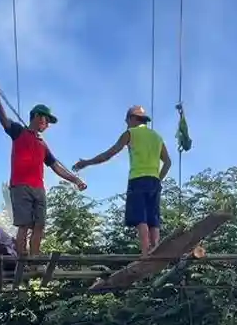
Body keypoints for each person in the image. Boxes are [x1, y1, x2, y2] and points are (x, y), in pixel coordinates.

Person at [0, 80, 86, 257]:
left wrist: (75, 180)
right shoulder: (19, 131)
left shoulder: (42, 144)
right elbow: (4, 120)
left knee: (39, 225)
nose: (47, 125)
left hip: (38, 188)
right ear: (38, 117)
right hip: (20, 186)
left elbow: (55, 166)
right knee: (24, 225)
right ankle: (22, 260)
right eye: (46, 120)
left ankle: (34, 258)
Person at [73, 106, 172, 254]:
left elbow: (109, 154)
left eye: (127, 120)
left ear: (133, 118)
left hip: (138, 179)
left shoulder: (130, 133)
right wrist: (158, 179)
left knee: (140, 216)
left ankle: (145, 251)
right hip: (154, 181)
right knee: (153, 217)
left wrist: (86, 162)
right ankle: (156, 249)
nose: (126, 124)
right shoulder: (157, 137)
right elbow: (168, 162)